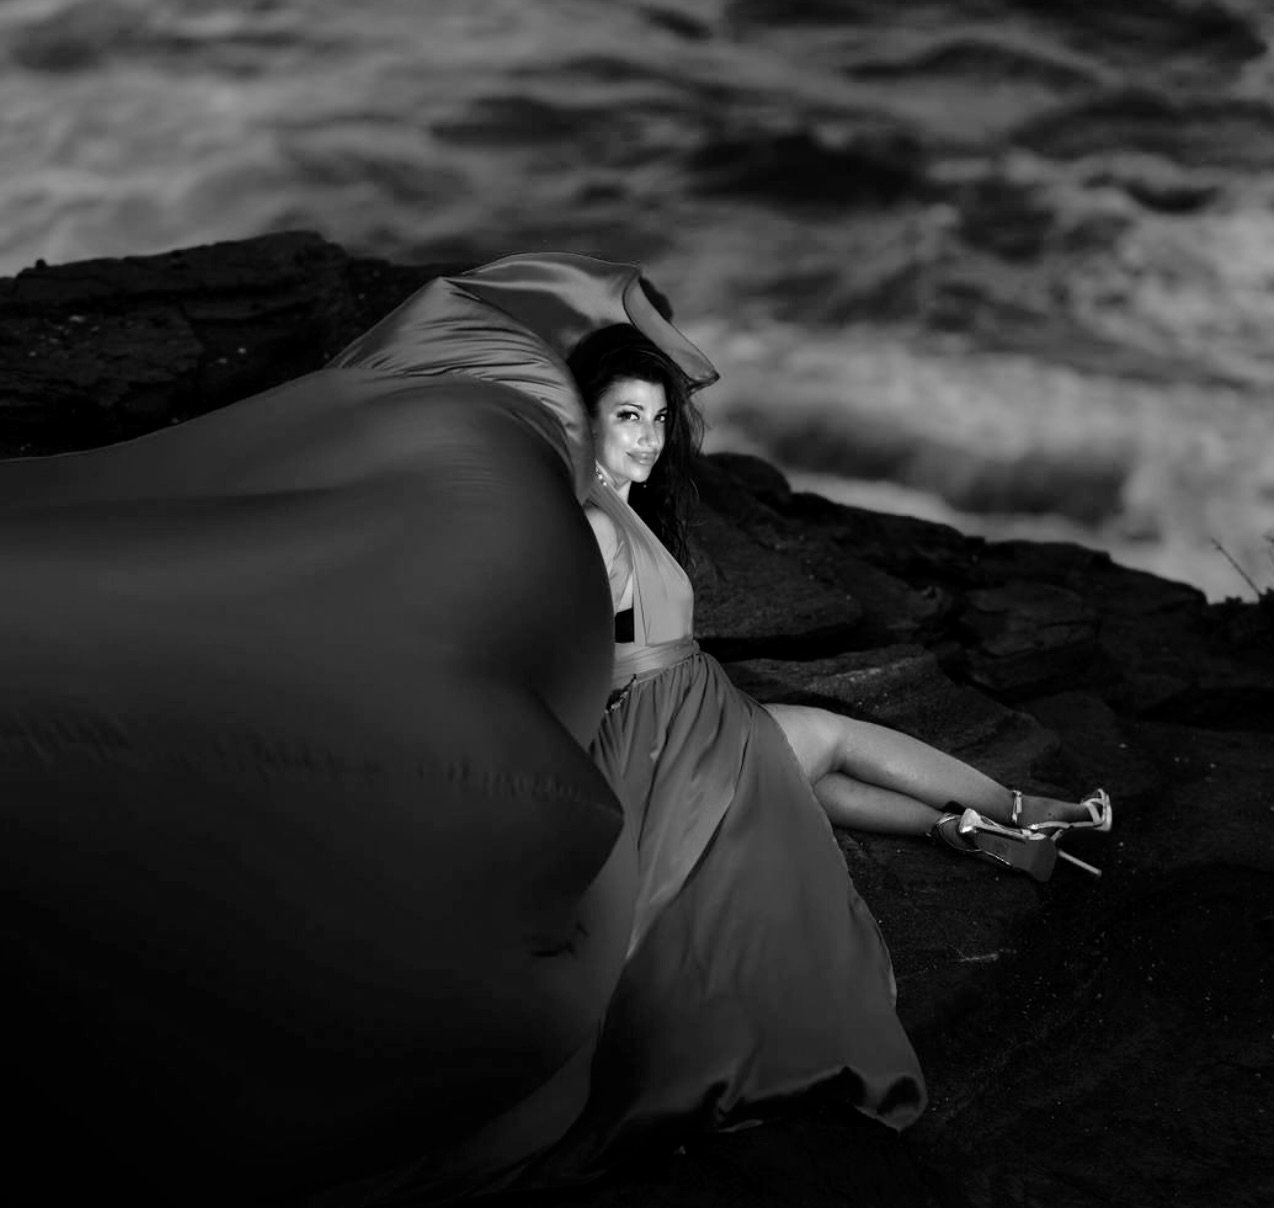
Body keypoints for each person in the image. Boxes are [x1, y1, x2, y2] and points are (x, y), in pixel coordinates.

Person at [571, 323, 1113, 888]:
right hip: (663, 749)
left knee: (809, 778)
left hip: (681, 726)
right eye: (627, 416)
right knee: (835, 737)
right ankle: (1017, 808)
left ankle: (963, 831)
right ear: (586, 420)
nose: (650, 438)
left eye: (658, 418)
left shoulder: (618, 513)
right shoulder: (599, 527)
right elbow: (564, 656)